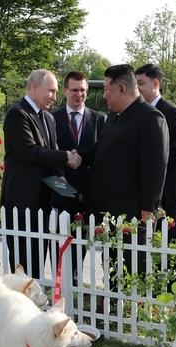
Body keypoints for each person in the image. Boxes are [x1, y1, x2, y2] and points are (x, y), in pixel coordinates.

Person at [88, 64, 169, 284]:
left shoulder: (151, 118)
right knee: (112, 264)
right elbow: (100, 149)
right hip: (109, 211)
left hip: (132, 214)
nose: (104, 94)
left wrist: (147, 210)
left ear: (122, 89)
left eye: (106, 89)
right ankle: (114, 305)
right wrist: (73, 157)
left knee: (133, 267)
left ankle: (132, 310)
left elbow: (155, 168)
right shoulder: (115, 116)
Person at [0, 69, 81, 278]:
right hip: (21, 201)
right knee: (22, 261)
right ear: (34, 87)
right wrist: (66, 156)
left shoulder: (48, 118)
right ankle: (19, 306)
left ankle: (34, 304)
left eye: (55, 92)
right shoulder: (18, 114)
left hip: (43, 202)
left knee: (38, 256)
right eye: (51, 91)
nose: (54, 96)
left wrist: (65, 186)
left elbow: (51, 154)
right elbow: (30, 152)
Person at [52, 71, 106, 282]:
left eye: (83, 90)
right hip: (59, 188)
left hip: (87, 192)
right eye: (74, 90)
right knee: (61, 240)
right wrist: (60, 173)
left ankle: (75, 280)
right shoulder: (52, 118)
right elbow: (48, 150)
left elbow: (102, 152)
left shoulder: (100, 119)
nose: (79, 94)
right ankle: (62, 280)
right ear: (65, 90)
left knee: (82, 240)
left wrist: (81, 158)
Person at [135, 64, 176, 242]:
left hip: (170, 189)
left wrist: (151, 170)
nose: (137, 89)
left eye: (141, 83)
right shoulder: (139, 111)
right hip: (149, 189)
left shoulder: (171, 112)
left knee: (169, 239)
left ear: (156, 83)